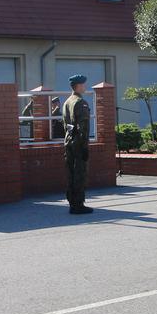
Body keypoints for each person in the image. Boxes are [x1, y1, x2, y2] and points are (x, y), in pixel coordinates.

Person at [62, 75, 93, 214]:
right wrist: (84, 146)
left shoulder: (67, 101)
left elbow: (67, 125)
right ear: (79, 86)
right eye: (84, 85)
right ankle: (78, 204)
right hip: (78, 143)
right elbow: (83, 127)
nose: (85, 87)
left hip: (68, 141)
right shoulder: (80, 102)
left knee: (71, 173)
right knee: (79, 173)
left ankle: (72, 202)